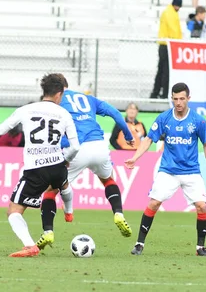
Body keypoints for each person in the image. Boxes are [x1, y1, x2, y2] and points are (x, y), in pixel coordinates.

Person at [37, 79, 135, 250]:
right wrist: (127, 134)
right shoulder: (87, 98)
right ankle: (118, 213)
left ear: (57, 90)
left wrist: (60, 145)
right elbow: (115, 114)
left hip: (78, 148)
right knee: (108, 180)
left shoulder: (57, 102)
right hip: (99, 145)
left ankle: (48, 231)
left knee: (51, 191)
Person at [125, 82, 206, 257]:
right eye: (175, 99)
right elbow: (148, 140)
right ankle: (139, 244)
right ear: (171, 99)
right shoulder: (164, 118)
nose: (179, 102)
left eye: (182, 99)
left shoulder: (198, 121)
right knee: (153, 203)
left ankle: (200, 248)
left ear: (188, 98)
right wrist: (135, 158)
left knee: (202, 207)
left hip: (191, 171)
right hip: (168, 171)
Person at [0, 73, 80, 258]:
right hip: (57, 165)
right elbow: (75, 147)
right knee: (62, 184)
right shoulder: (64, 113)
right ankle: (69, 211)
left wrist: (7, 125)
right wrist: (65, 160)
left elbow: (0, 130)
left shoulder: (26, 109)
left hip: (35, 169)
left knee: (13, 211)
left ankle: (29, 246)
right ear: (59, 94)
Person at [150, 0, 183, 99]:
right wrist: (178, 43)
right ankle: (163, 94)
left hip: (166, 45)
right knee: (165, 71)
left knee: (161, 70)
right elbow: (173, 30)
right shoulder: (170, 13)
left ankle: (156, 93)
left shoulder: (170, 12)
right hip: (168, 45)